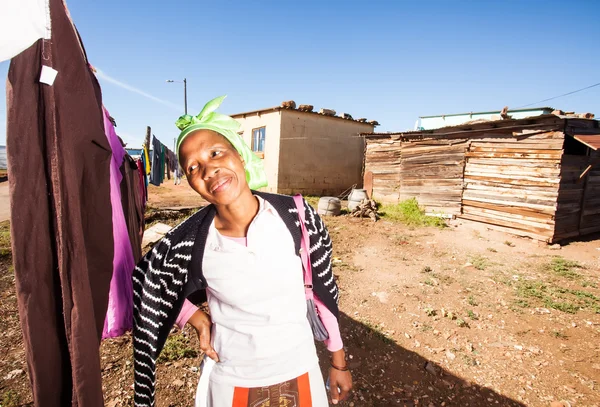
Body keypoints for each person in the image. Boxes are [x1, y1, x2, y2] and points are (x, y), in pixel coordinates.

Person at [132, 96, 352, 407]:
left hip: (299, 368)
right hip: (232, 377)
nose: (209, 169)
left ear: (240, 154)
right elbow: (145, 281)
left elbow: (323, 292)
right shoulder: (192, 240)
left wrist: (338, 361)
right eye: (193, 167)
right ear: (191, 181)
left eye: (215, 153)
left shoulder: (296, 217)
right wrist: (194, 317)